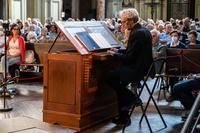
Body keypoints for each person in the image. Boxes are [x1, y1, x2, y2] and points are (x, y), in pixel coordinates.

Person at [106, 8, 153, 126]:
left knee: (109, 77)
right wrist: (119, 51)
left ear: (130, 20)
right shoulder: (143, 30)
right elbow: (132, 53)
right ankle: (124, 117)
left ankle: (132, 97)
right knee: (120, 86)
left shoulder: (137, 33)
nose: (122, 24)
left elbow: (129, 58)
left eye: (123, 21)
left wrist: (115, 55)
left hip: (136, 70)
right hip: (141, 68)